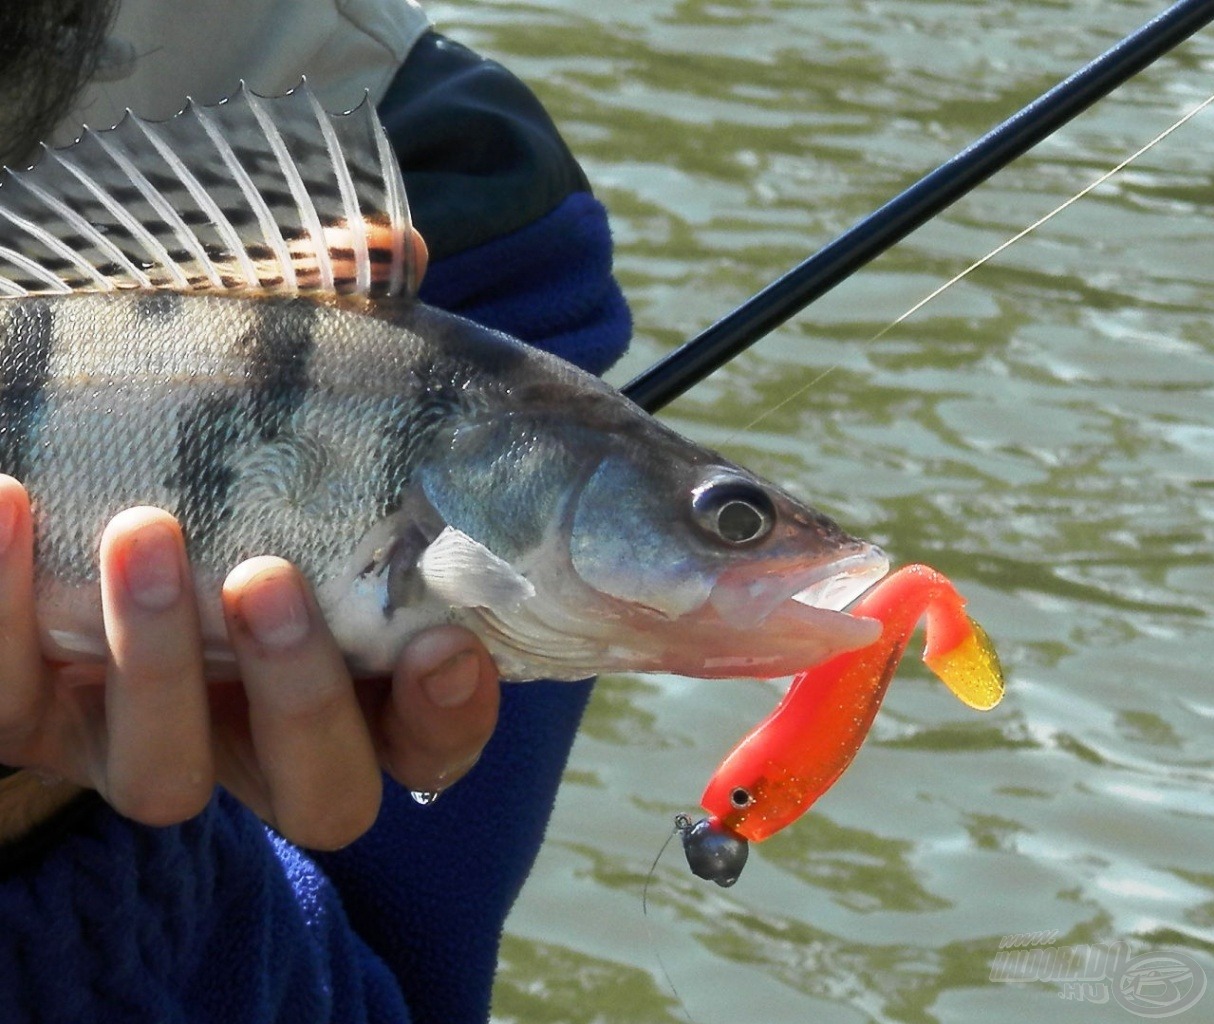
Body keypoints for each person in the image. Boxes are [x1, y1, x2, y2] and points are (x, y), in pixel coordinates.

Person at [0, 2, 631, 1022]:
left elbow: (399, 989)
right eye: (727, 518)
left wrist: (35, 823)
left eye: (726, 520)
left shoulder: (435, 166)